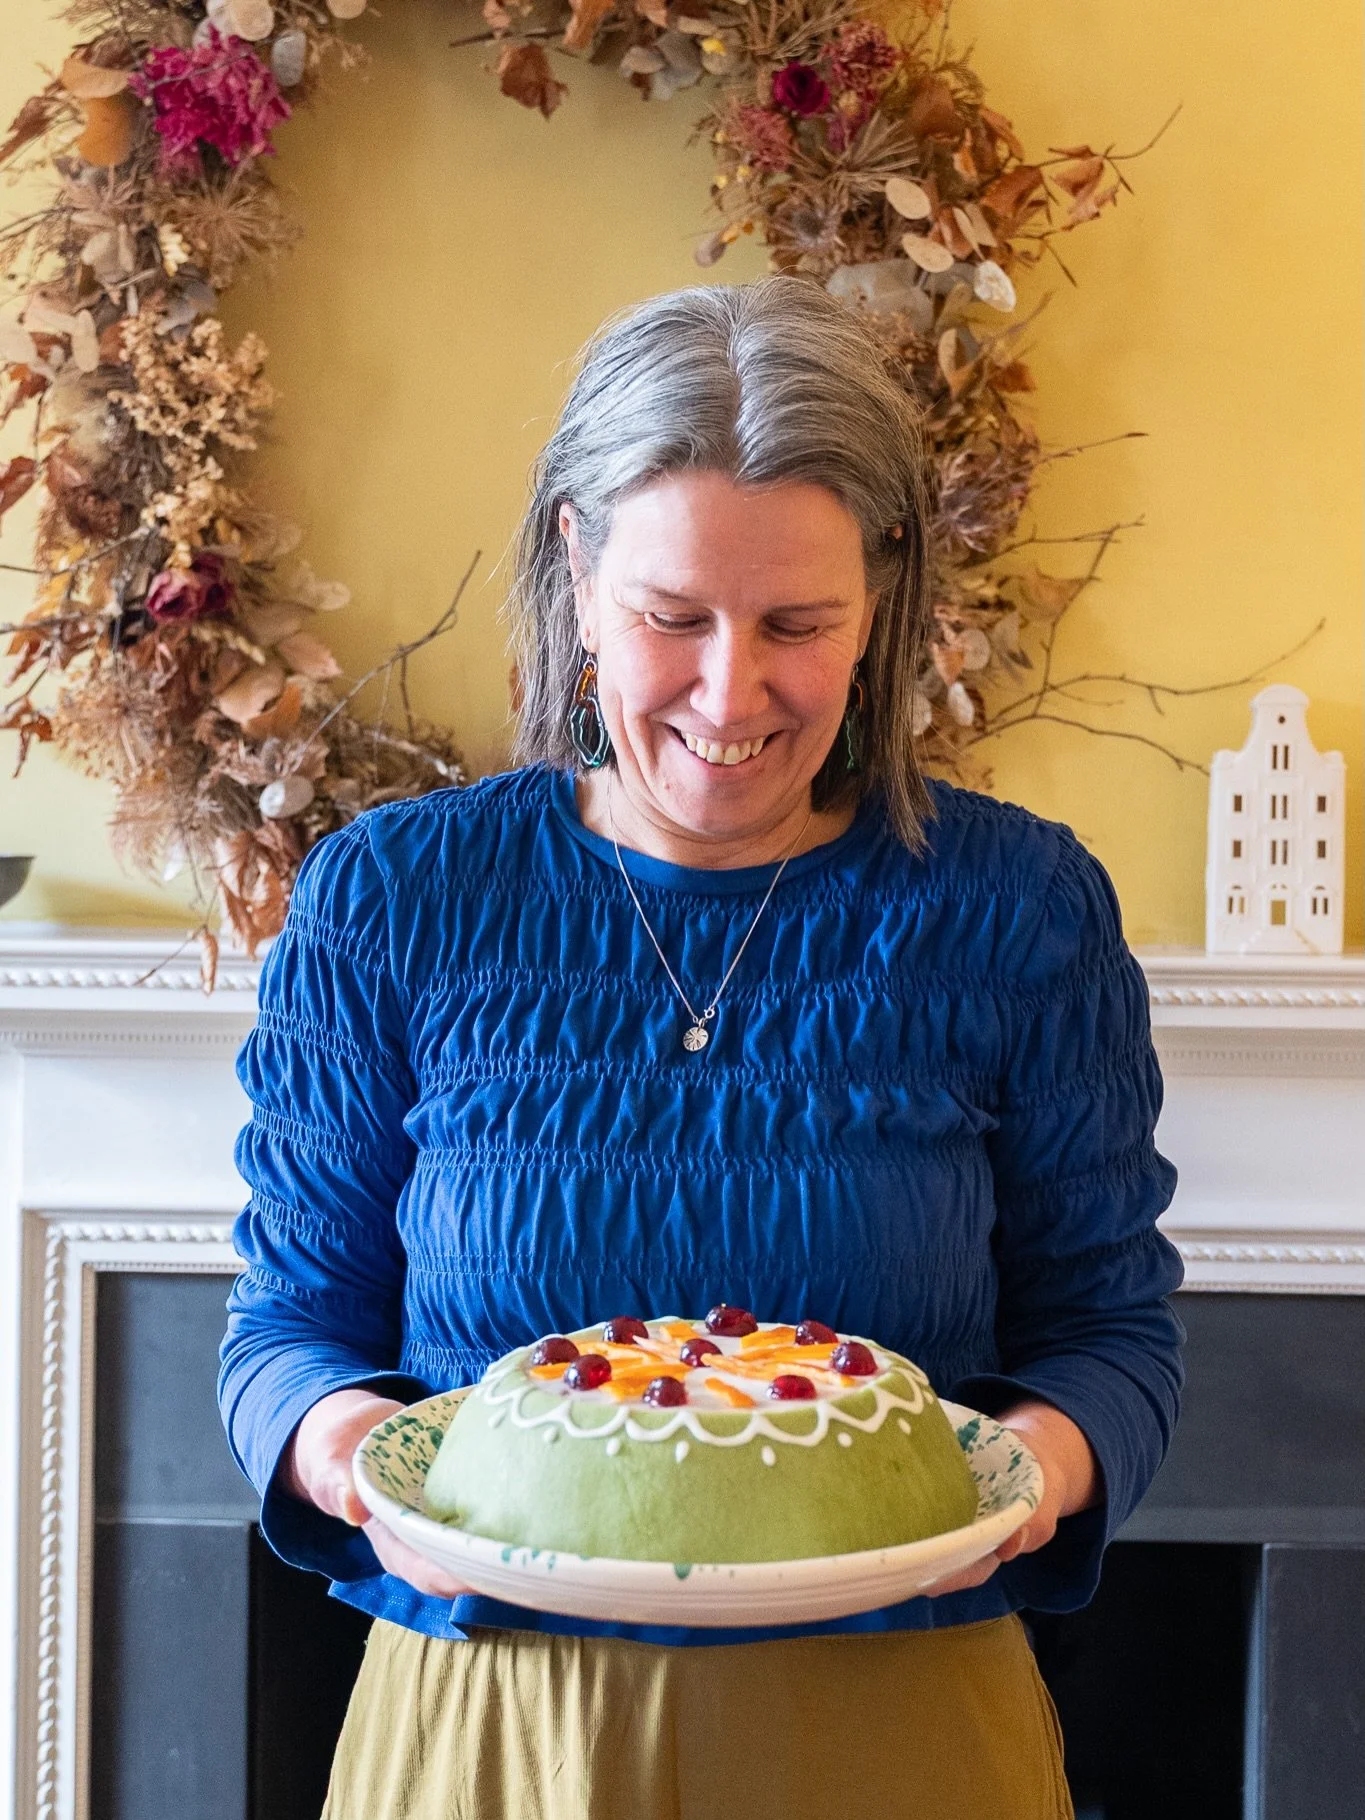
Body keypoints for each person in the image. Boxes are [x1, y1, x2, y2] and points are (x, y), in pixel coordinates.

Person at [219, 275, 1183, 1819]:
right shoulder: (394, 898)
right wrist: (350, 1463)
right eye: (673, 617)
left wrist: (1028, 1484)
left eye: (799, 623)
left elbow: (1112, 1336)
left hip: (902, 1726)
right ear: (577, 571)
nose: (732, 693)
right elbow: (286, 1335)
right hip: (492, 1730)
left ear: (881, 604)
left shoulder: (1021, 908)